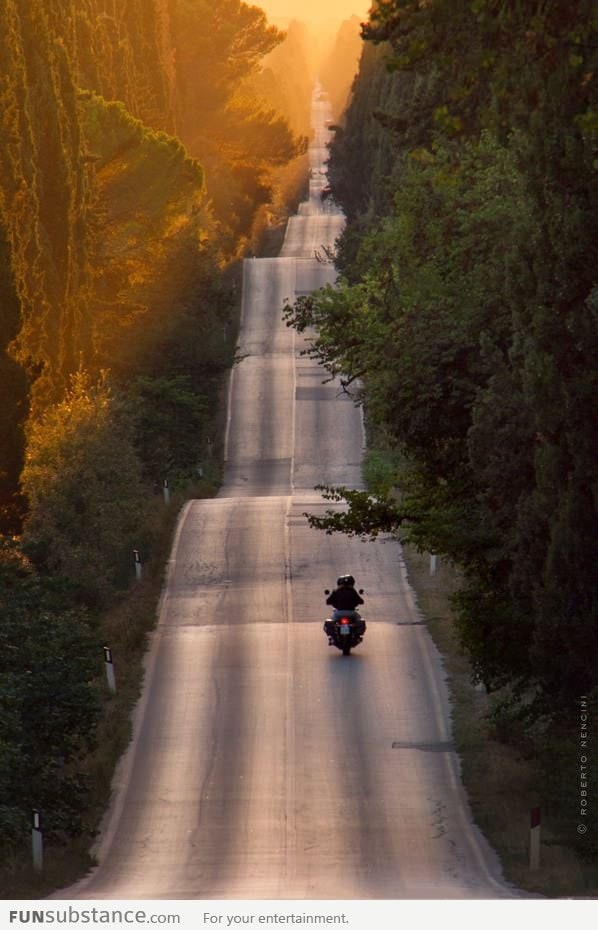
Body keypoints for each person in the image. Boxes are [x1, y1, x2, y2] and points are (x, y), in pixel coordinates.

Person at [324, 575, 365, 642]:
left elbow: (328, 601)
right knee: (359, 620)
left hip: (339, 613)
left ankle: (333, 638)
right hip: (351, 613)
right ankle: (357, 637)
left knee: (331, 621)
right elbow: (361, 601)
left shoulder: (335, 591)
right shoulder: (352, 591)